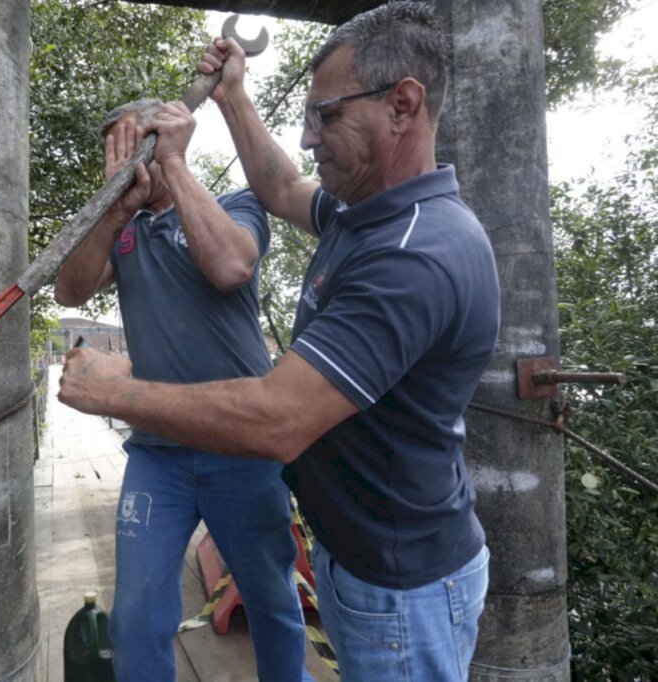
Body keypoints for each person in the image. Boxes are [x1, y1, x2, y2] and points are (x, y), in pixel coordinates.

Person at [58, 3, 501, 681]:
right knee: (143, 616)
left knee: (273, 604)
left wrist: (115, 391)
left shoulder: (414, 254)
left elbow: (275, 412)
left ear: (403, 107)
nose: (309, 137)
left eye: (326, 116)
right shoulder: (361, 215)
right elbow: (281, 184)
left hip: (397, 577)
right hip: (354, 551)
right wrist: (233, 95)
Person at [54, 100, 313, 681]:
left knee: (272, 601)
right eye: (115, 155)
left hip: (242, 448)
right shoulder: (124, 234)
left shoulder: (237, 207)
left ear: (163, 143)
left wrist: (172, 165)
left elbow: (230, 267)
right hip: (158, 456)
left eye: (133, 148)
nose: (125, 165)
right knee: (136, 620)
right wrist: (110, 212)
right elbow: (69, 291)